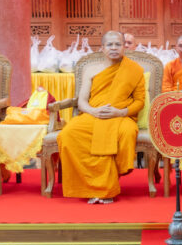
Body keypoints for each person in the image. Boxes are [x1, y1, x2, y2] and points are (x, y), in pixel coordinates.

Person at [57, 30, 146, 204]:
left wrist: (120, 112)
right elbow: (82, 102)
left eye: (118, 44)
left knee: (127, 133)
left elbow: (139, 101)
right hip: (93, 115)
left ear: (124, 47)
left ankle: (106, 185)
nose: (114, 48)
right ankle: (89, 186)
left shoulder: (134, 70)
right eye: (109, 45)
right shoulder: (91, 69)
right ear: (103, 48)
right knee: (67, 135)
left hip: (121, 116)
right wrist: (93, 111)